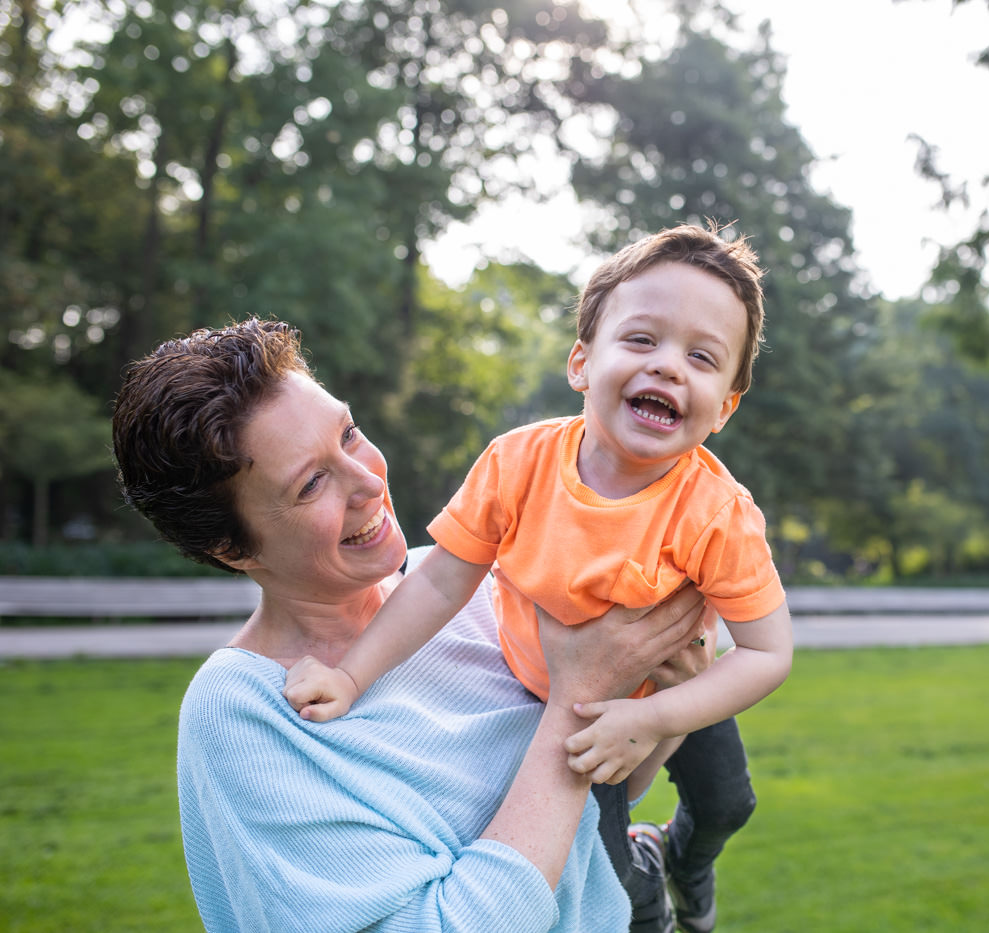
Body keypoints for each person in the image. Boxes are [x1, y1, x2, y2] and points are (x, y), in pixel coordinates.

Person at [111, 317, 714, 933]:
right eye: (312, 482)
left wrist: (663, 692)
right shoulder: (245, 713)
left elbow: (600, 800)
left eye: (348, 434)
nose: (369, 481)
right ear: (232, 548)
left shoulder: (485, 586)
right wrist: (578, 693)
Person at [284, 223, 794, 933]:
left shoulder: (717, 514)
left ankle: (687, 861)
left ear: (724, 408)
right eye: (642, 340)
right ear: (582, 362)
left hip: (674, 691)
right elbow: (436, 582)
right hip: (567, 704)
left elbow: (769, 652)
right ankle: (647, 877)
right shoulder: (516, 465)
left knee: (729, 802)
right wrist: (351, 674)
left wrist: (654, 717)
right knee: (609, 884)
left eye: (702, 357)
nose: (669, 366)